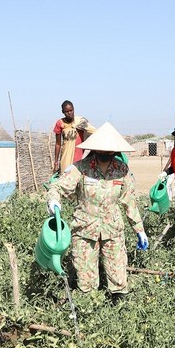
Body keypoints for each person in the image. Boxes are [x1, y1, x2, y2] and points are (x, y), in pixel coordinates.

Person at [47, 123, 148, 302]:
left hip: (113, 230)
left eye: (109, 150)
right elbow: (57, 186)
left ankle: (119, 314)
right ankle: (90, 312)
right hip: (85, 230)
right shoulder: (80, 168)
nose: (105, 153)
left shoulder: (121, 170)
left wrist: (139, 230)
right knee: (86, 283)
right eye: (101, 149)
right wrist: (54, 200)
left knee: (118, 279)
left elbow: (129, 203)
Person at [52, 100, 96, 173]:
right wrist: (56, 163)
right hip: (66, 156)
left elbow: (94, 132)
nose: (70, 113)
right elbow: (58, 144)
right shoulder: (60, 123)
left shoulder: (80, 122)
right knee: (65, 177)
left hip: (79, 156)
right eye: (67, 111)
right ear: (63, 112)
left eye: (71, 110)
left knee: (78, 176)